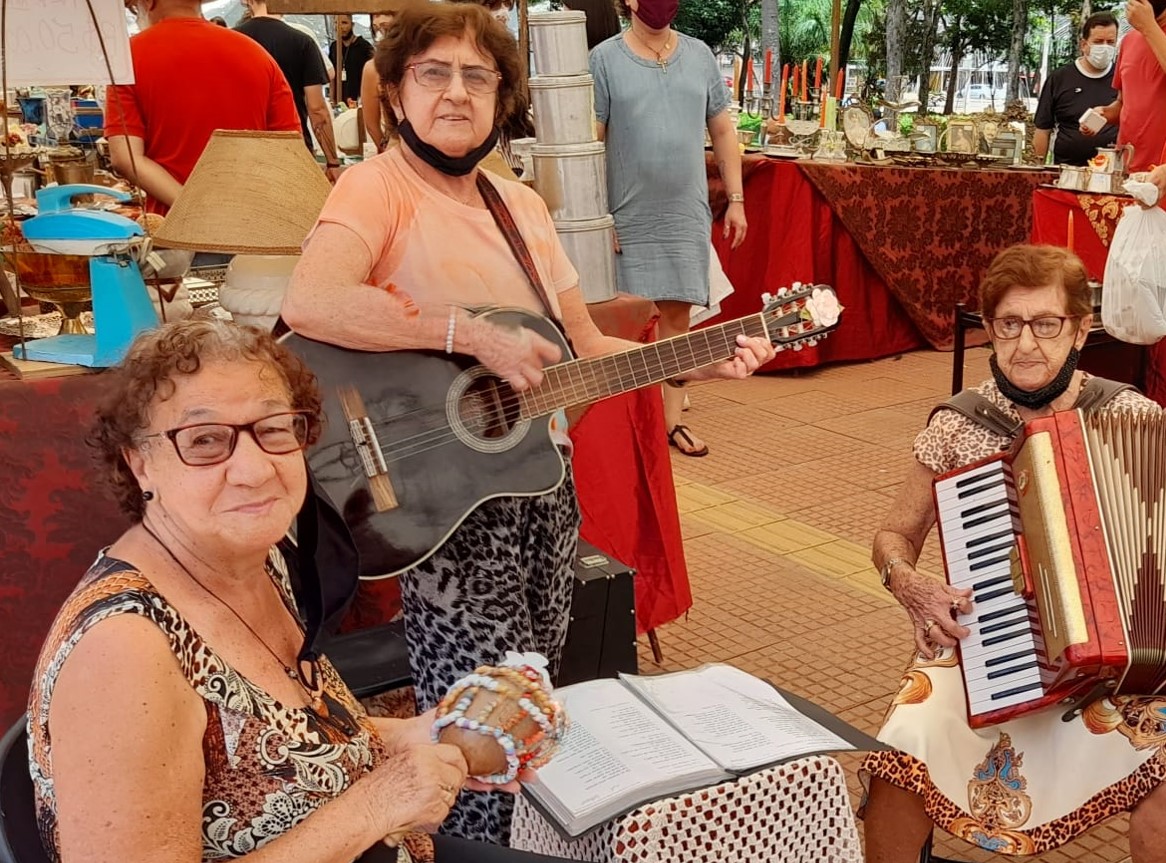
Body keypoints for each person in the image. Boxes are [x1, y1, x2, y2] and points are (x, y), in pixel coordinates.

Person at [279, 2, 774, 844]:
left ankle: (524, 840)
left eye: (478, 76)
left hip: (539, 483)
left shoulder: (521, 207)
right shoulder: (376, 187)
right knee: (478, 720)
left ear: (502, 97)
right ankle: (468, 846)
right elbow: (312, 300)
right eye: (434, 72)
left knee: (536, 694)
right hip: (441, 503)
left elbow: (583, 347)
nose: (456, 92)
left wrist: (696, 359)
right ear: (396, 92)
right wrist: (470, 335)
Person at [27, 318, 580, 863]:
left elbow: (274, 743)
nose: (254, 470)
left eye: (273, 429)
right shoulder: (123, 652)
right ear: (140, 463)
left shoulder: (256, 557)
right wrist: (377, 803)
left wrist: (409, 735)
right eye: (205, 440)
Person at [861, 244, 1166, 862]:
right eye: (1008, 325)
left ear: (1080, 329)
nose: (1026, 344)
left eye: (1046, 324)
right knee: (899, 757)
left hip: (1120, 671)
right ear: (989, 330)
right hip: (987, 648)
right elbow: (893, 535)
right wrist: (910, 584)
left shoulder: (1134, 419)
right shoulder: (958, 423)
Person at [590, 0, 747, 458]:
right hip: (626, 216)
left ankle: (669, 424)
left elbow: (722, 132)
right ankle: (628, 430)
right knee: (628, 326)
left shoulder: (699, 56)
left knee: (678, 322)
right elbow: (591, 142)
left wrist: (736, 199)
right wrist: (599, 217)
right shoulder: (604, 59)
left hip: (684, 213)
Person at [109, 0, 299, 213]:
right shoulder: (258, 55)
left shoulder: (127, 59)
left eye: (134, 8)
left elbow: (125, 158)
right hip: (250, 218)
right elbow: (290, 153)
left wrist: (197, 211)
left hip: (173, 221)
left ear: (148, 2)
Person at [235, 0, 342, 179]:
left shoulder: (232, 40)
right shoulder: (302, 42)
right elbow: (317, 108)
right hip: (293, 149)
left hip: (242, 153)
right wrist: (332, 162)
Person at [1086, 0, 1166, 173]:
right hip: (1127, 167)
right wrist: (1104, 113)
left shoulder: (1148, 29)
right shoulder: (1129, 40)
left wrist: (1149, 27)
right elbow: (1123, 103)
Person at [1033, 11, 1120, 165]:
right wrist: (1039, 169)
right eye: (1098, 42)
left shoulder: (1122, 77)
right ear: (1084, 45)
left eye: (1110, 42)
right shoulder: (1060, 78)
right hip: (1067, 168)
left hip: (1111, 169)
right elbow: (1043, 129)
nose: (1105, 47)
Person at [361, 10, 400, 152]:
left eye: (386, 14)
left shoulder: (422, 59)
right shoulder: (373, 68)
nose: (378, 21)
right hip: (395, 146)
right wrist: (384, 150)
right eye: (375, 16)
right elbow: (371, 124)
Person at [329, 14, 375, 104]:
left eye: (344, 23)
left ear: (352, 24)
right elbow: (332, 76)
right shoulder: (334, 47)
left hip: (359, 99)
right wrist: (332, 99)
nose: (340, 27)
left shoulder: (364, 46)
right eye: (336, 23)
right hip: (339, 100)